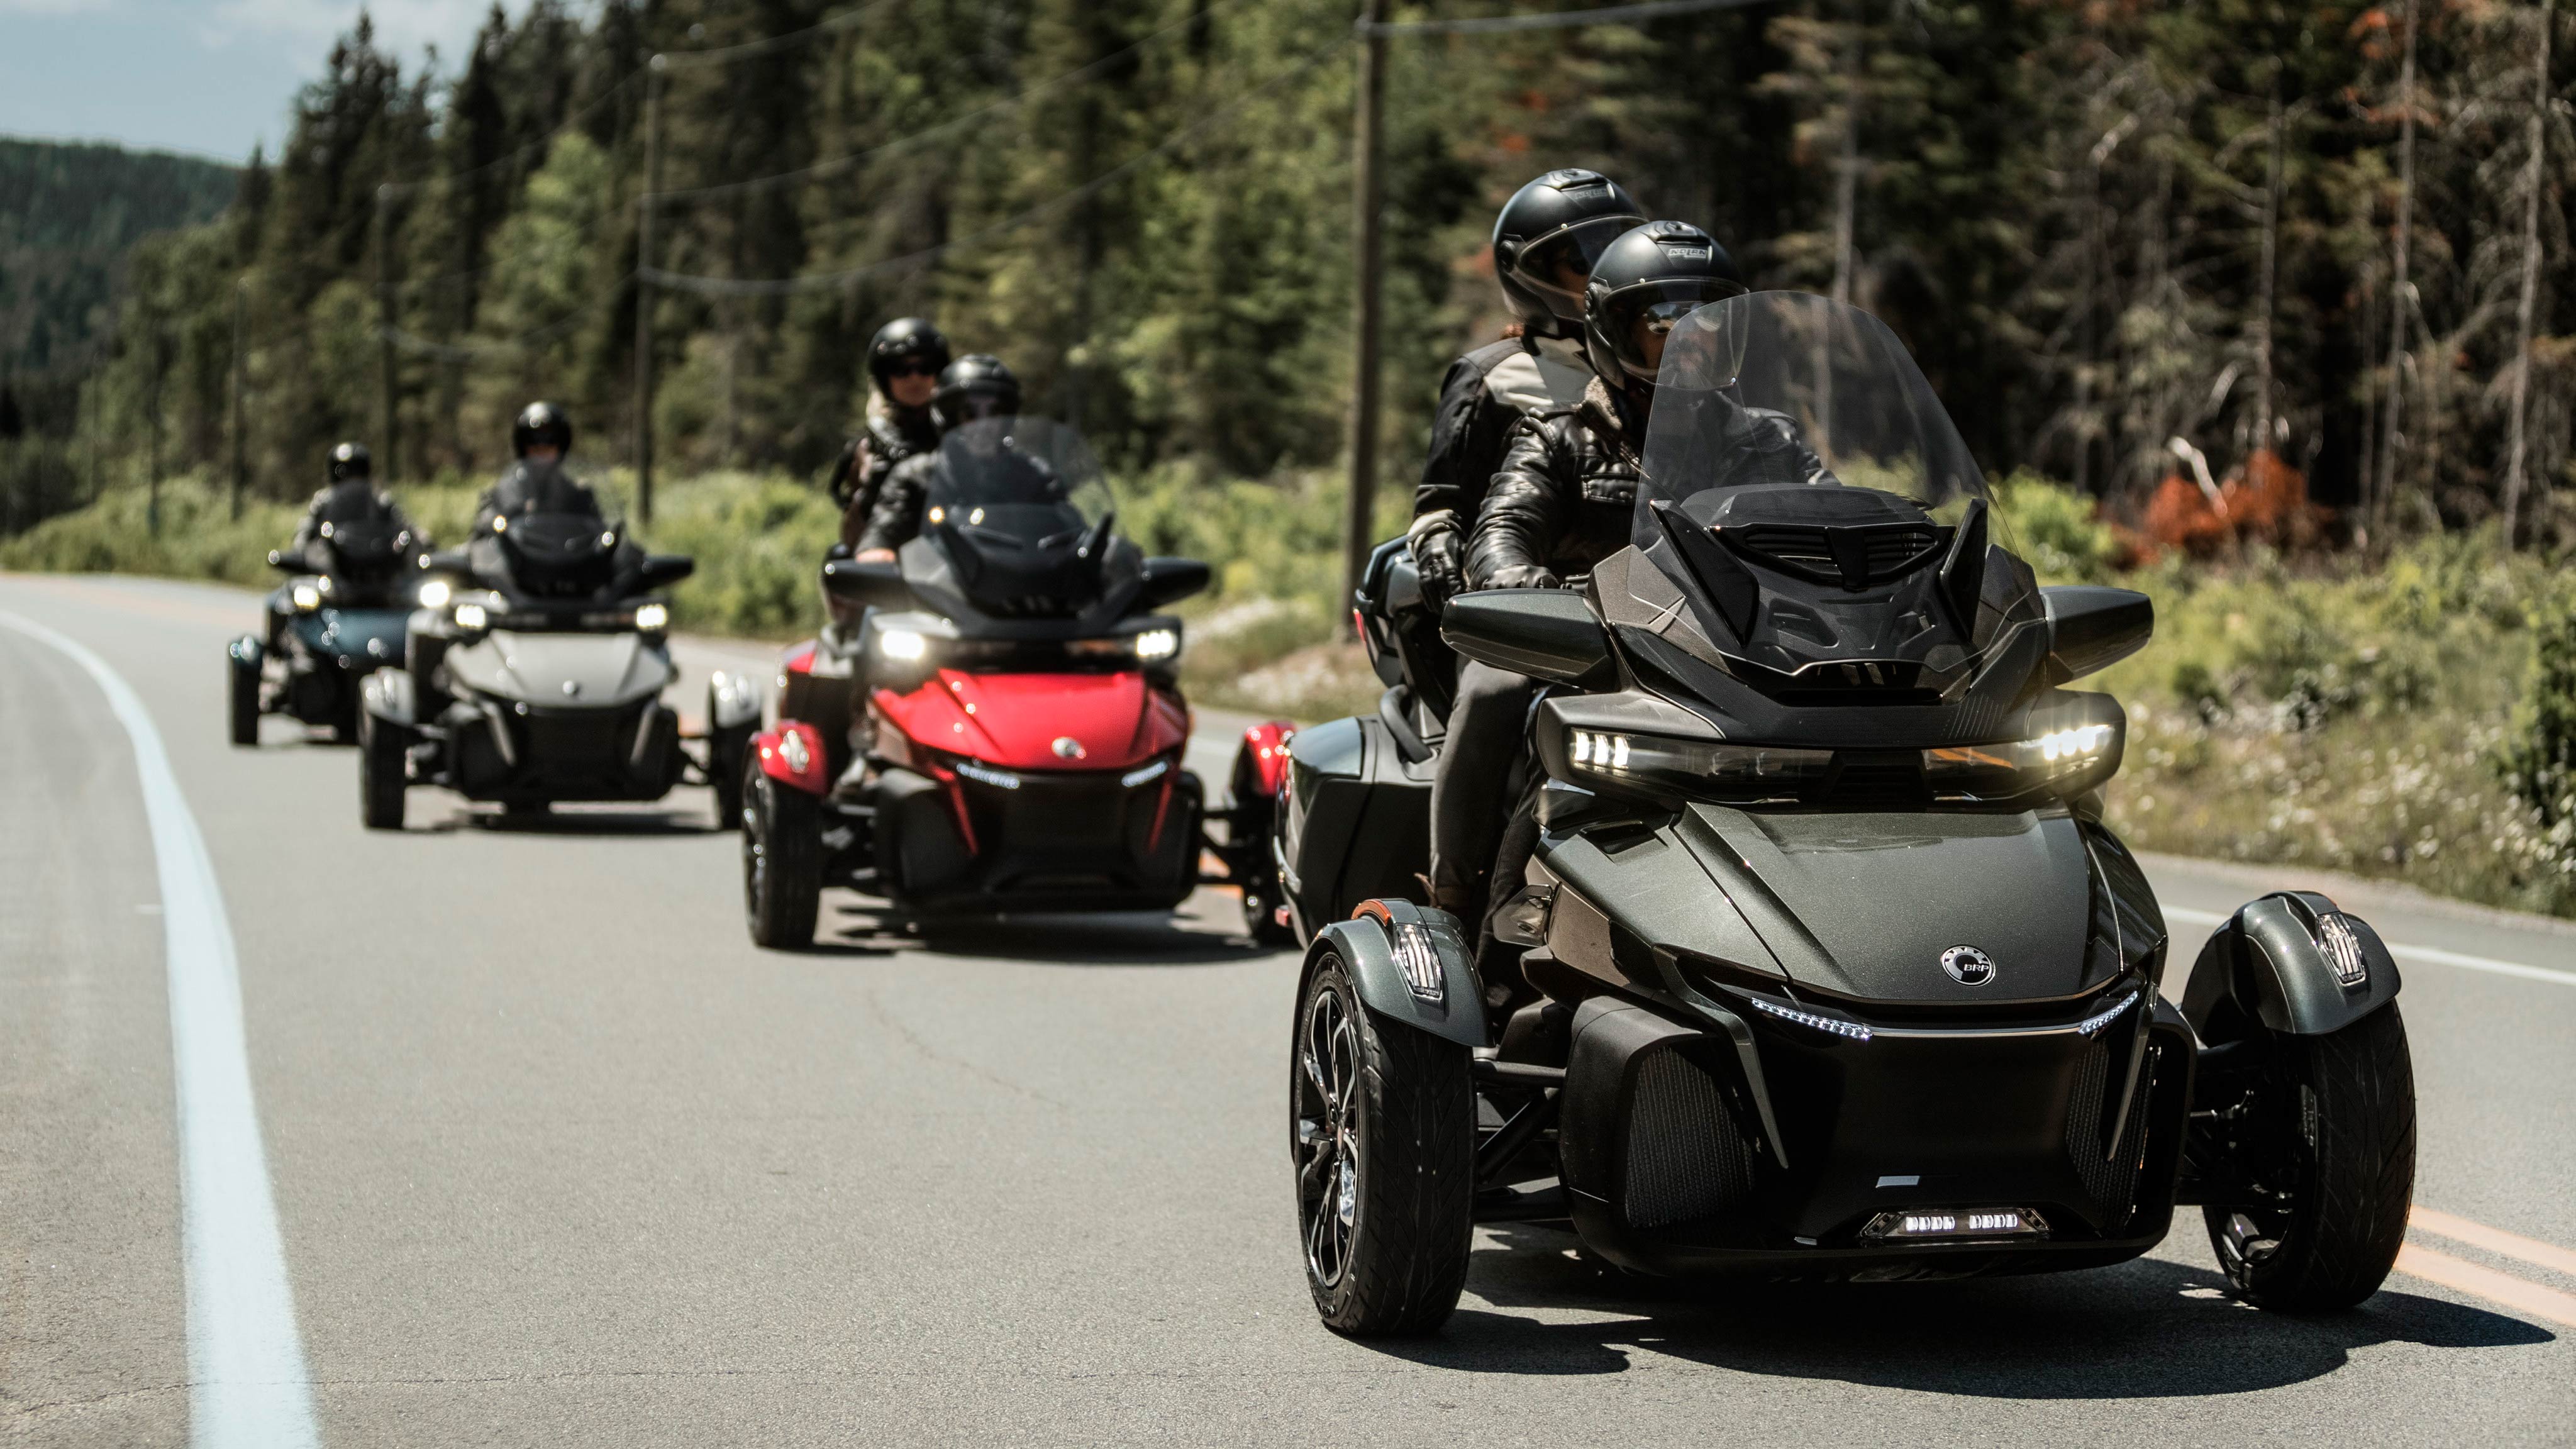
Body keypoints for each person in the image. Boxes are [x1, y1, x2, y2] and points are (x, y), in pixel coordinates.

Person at [1429, 220, 1750, 930]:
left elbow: (1829, 509)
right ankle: (1455, 903)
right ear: (1612, 330)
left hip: (1729, 651)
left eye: (1710, 321)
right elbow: (1500, 537)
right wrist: (1543, 598)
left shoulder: (1763, 440)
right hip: (1589, 648)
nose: (1691, 337)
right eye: (1666, 321)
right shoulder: (1559, 438)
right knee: (1490, 690)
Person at [1408, 169, 1645, 609]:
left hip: (1659, 598)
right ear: (1533, 273)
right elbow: (1443, 505)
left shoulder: (1657, 369)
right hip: (1534, 603)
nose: (1606, 274)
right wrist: (1442, 549)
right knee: (1496, 684)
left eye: (1617, 253)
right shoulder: (1493, 375)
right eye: (1585, 260)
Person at [855, 355, 1025, 561]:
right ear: (951, 419)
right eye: (971, 414)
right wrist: (878, 559)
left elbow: (1070, 531)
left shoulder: (1030, 474)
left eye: (995, 413)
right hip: (936, 591)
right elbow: (880, 536)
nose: (984, 424)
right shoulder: (915, 476)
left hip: (1020, 589)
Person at [828, 318, 951, 551]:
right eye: (901, 370)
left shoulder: (958, 433)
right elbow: (852, 534)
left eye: (925, 368)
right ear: (885, 378)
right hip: (887, 563)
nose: (915, 378)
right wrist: (867, 494)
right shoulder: (867, 447)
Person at [474, 401, 604, 533]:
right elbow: (482, 540)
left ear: (562, 445)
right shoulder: (501, 496)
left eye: (551, 440)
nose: (542, 447)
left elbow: (599, 534)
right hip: (516, 553)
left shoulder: (578, 495)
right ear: (522, 446)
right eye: (533, 440)